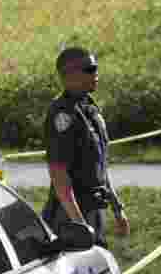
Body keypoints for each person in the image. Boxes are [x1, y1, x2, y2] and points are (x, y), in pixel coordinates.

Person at [41, 47, 130, 248]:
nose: (96, 73)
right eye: (90, 69)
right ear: (69, 74)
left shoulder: (89, 108)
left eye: (96, 67)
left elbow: (100, 165)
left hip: (94, 209)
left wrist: (117, 208)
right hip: (70, 216)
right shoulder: (62, 115)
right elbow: (59, 175)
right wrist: (79, 224)